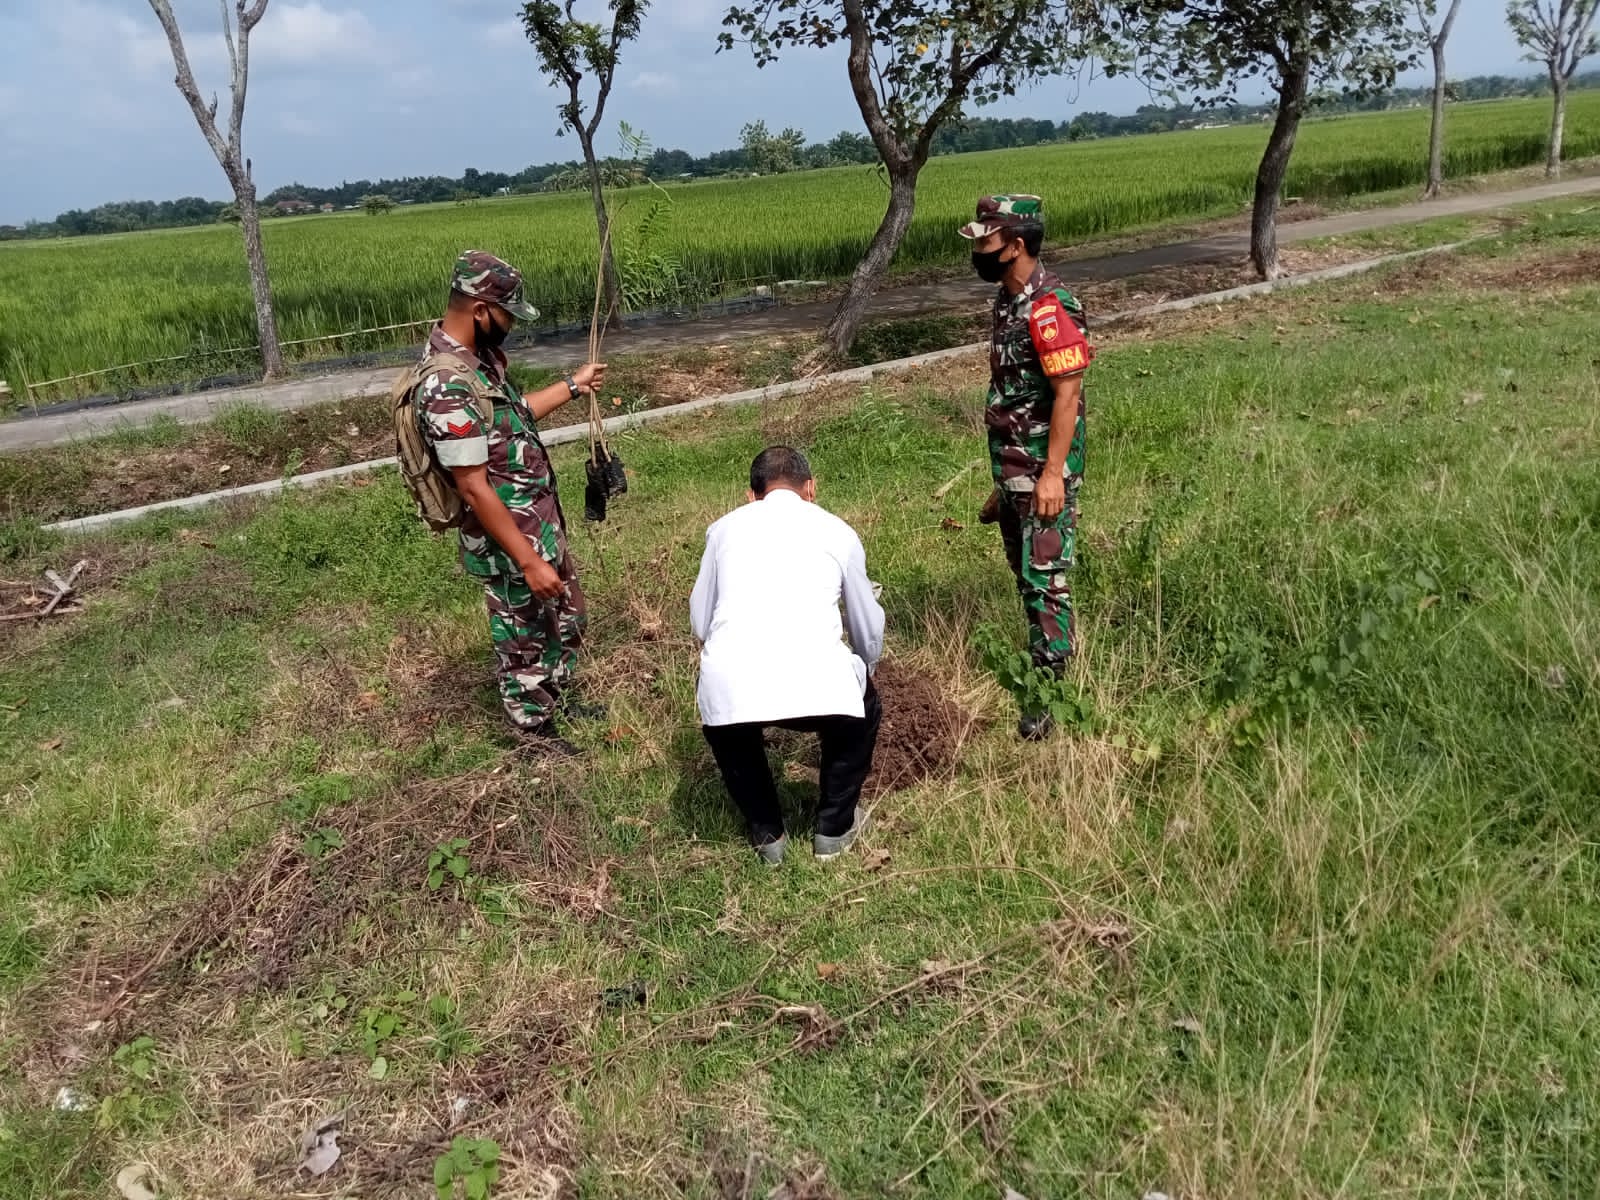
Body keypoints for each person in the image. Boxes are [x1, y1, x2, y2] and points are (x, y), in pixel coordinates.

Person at [417, 250, 606, 754]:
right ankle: (533, 732)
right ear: (480, 310)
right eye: (506, 317)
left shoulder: (479, 363)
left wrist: (572, 386)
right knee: (521, 634)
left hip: (535, 521)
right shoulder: (446, 385)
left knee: (565, 618)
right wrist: (526, 560)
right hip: (508, 539)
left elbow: (513, 418)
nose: (511, 328)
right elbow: (474, 486)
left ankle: (558, 696)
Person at [689, 447, 885, 865]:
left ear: (750, 496)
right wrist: (867, 667)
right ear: (810, 488)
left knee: (726, 713)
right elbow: (867, 624)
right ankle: (834, 828)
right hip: (822, 686)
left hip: (734, 684)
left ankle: (768, 833)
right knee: (863, 707)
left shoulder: (722, 530)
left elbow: (700, 621)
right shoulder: (838, 531)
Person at [960, 195, 1093, 741]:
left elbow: (1068, 394)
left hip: (1043, 471)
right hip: (1015, 471)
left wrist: (1052, 473)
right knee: (1025, 574)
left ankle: (1049, 692)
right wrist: (1003, 483)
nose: (978, 251)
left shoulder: (1049, 307)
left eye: (986, 242)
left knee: (1046, 578)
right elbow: (1012, 394)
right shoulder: (1007, 302)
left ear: (1015, 246)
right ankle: (1046, 658)